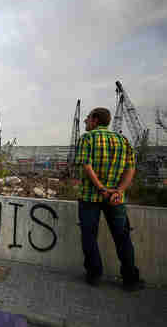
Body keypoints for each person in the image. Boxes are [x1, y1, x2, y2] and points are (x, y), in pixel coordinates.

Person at [75, 107, 144, 291]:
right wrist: (118, 191)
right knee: (122, 238)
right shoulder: (123, 140)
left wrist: (102, 189)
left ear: (95, 120)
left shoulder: (87, 138)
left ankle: (94, 275)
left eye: (88, 118)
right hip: (116, 199)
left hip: (90, 197)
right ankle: (130, 279)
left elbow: (87, 167)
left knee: (89, 236)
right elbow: (131, 169)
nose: (85, 121)